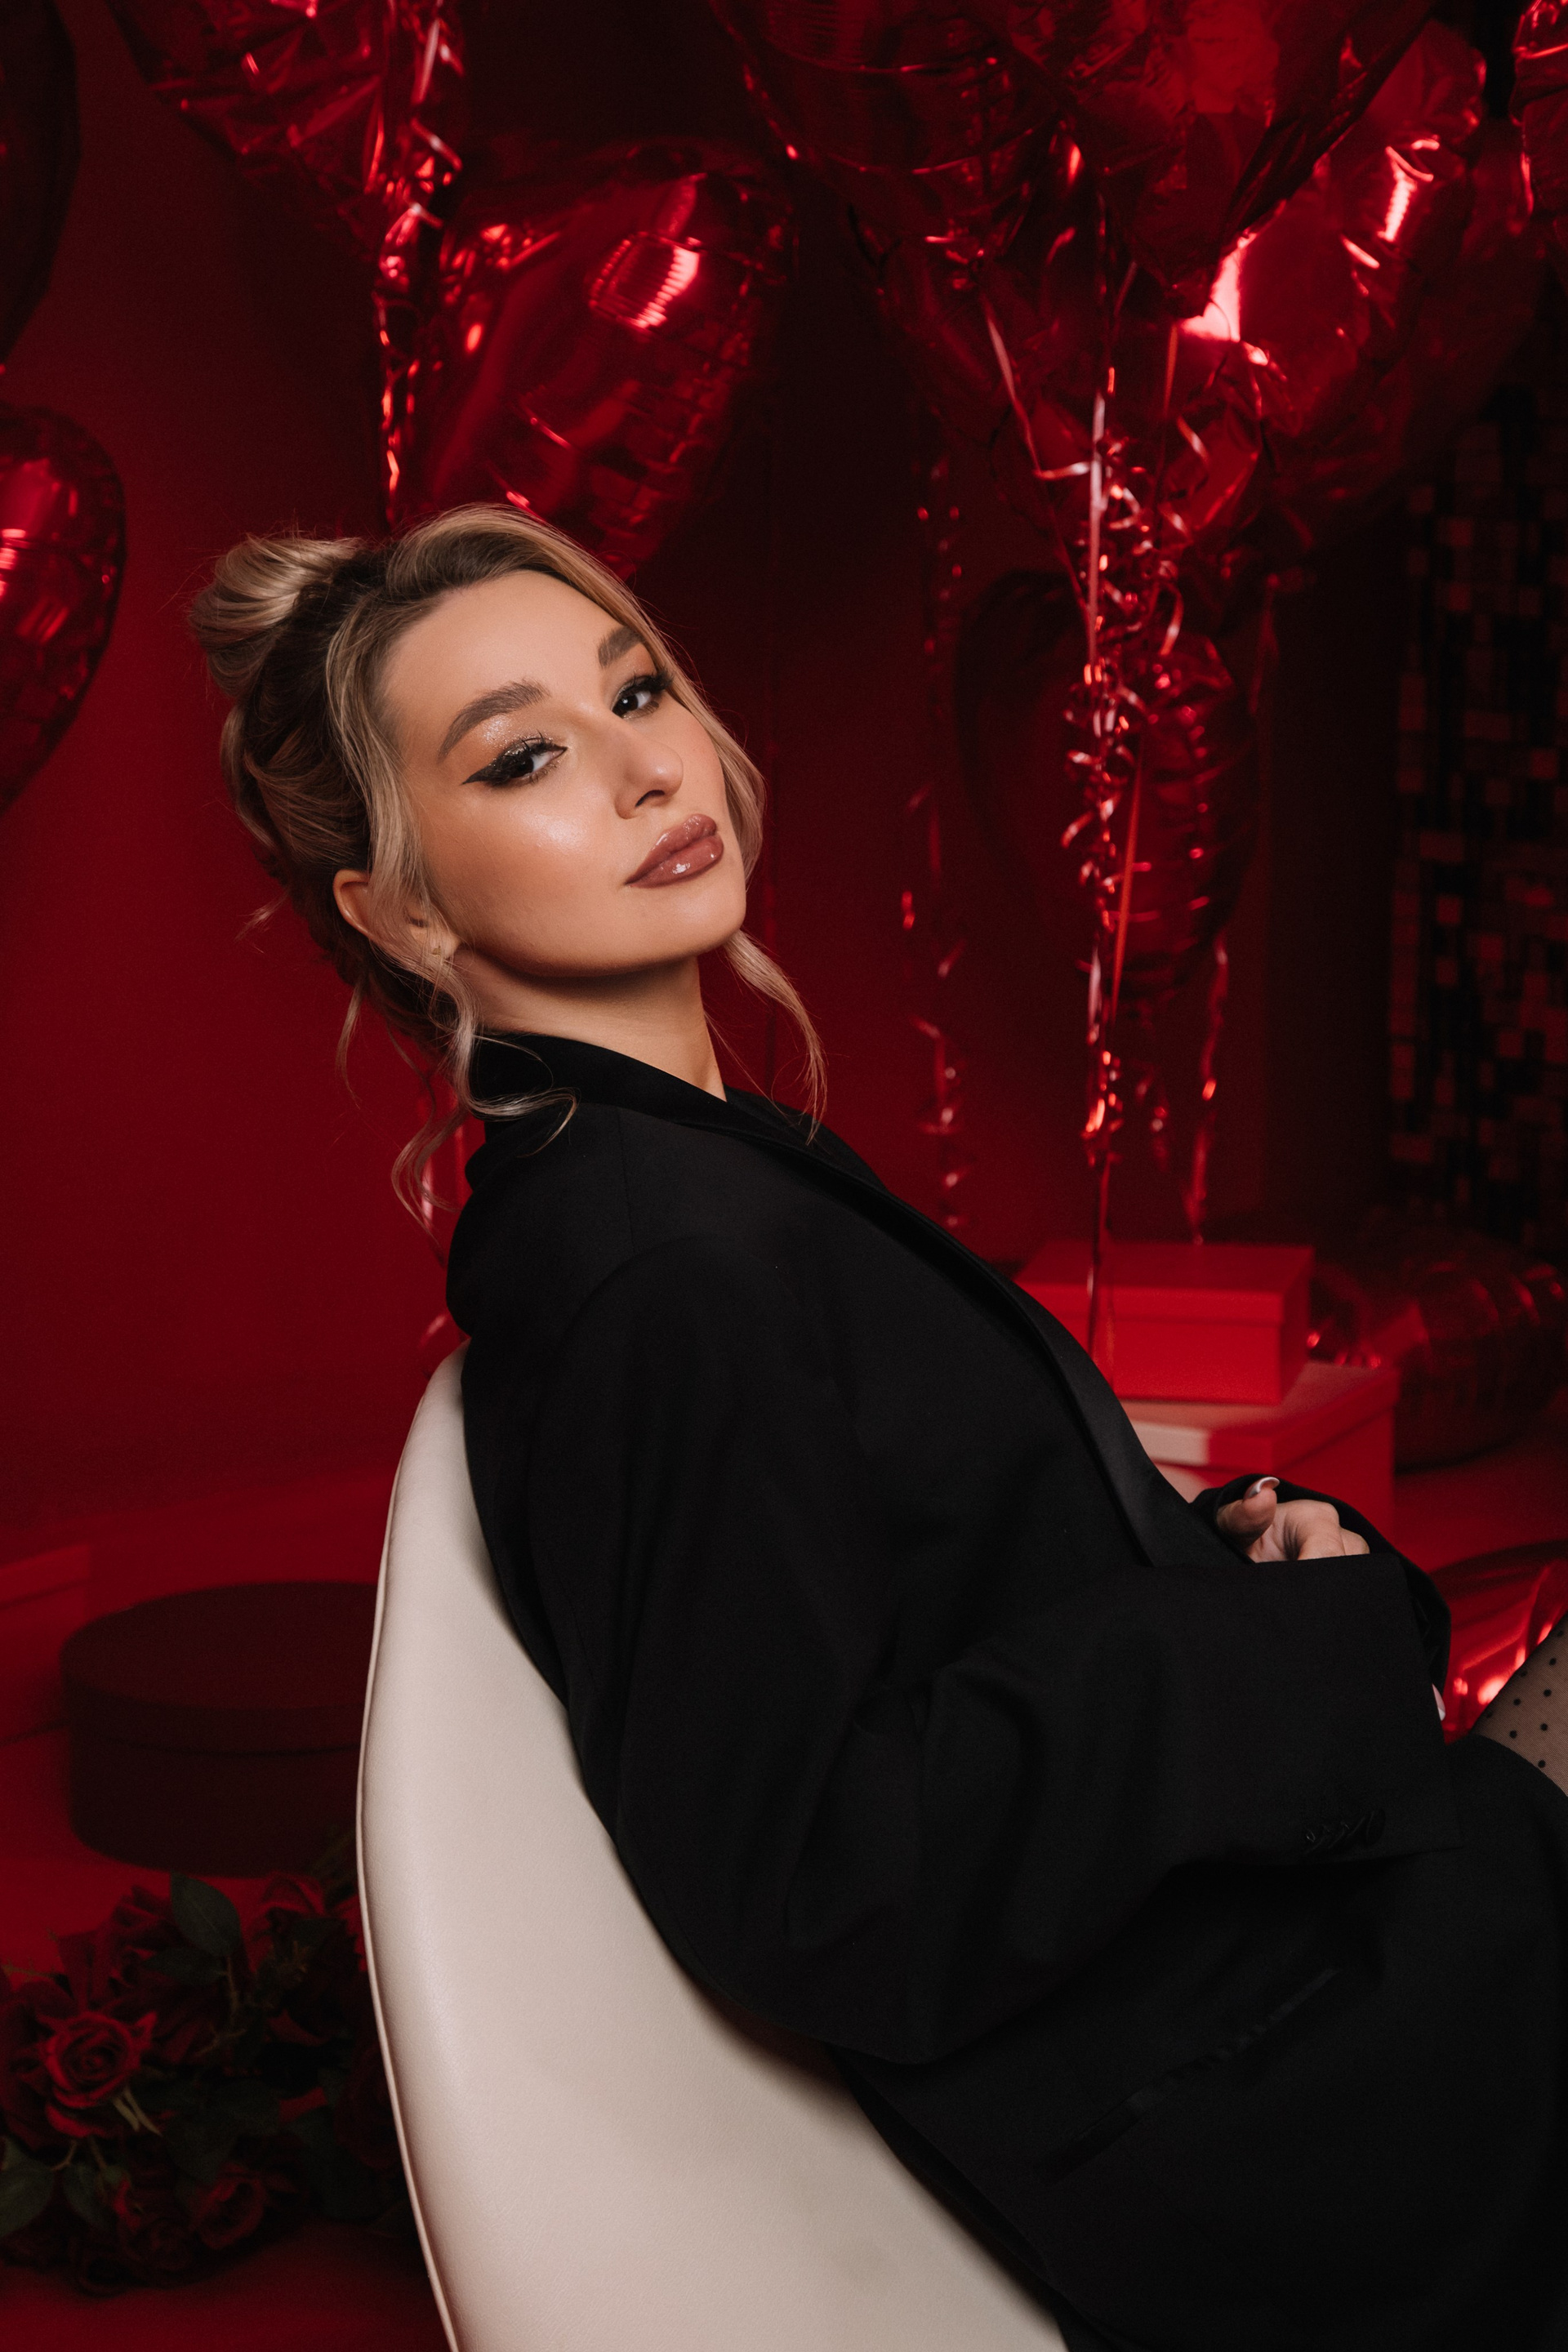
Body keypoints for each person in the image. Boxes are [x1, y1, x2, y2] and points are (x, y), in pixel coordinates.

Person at [190, 506, 1568, 2352]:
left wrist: (1227, 1553)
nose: (645, 768)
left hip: (1284, 1981)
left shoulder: (687, 1170)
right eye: (523, 757)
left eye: (636, 691)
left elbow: (941, 1582)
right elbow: (818, 1878)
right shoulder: (661, 1267)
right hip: (1281, 2108)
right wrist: (1253, 1645)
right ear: (405, 908)